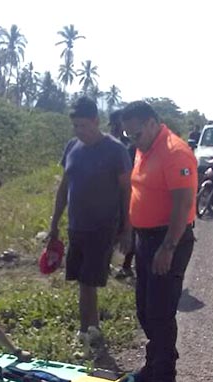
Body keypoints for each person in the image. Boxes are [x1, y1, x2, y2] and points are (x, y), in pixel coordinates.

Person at [120, 101, 197, 382]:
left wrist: (167, 247)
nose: (132, 140)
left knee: (161, 311)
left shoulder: (175, 151)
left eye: (136, 133)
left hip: (168, 239)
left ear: (152, 123)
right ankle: (153, 365)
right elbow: (140, 191)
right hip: (145, 239)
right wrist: (130, 230)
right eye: (128, 135)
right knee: (144, 307)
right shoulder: (145, 147)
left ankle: (166, 378)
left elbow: (183, 204)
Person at [48, 97, 132, 355]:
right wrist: (54, 224)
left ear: (96, 122)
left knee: (87, 281)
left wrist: (127, 229)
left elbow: (127, 192)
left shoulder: (116, 150)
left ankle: (87, 334)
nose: (79, 131)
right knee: (81, 280)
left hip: (103, 226)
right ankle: (91, 329)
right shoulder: (72, 146)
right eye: (75, 126)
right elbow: (64, 187)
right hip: (77, 225)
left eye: (83, 125)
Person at [109, 109, 138, 279]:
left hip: (129, 191)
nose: (114, 128)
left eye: (116, 125)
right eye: (112, 125)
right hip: (110, 193)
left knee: (129, 228)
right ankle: (106, 264)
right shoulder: (105, 143)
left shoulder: (130, 145)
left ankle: (127, 265)